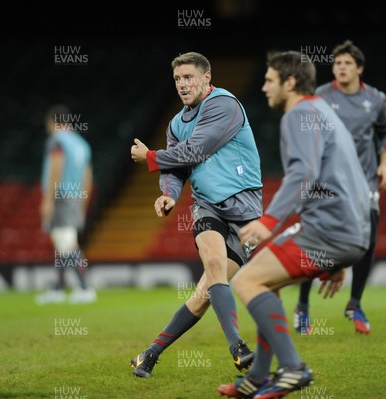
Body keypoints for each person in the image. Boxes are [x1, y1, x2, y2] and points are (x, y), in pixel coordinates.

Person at [217, 50, 370, 398]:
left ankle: (293, 367)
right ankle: (258, 377)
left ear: (290, 82)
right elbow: (348, 178)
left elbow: (304, 173)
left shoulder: (299, 114)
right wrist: (343, 254)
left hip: (331, 230)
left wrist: (270, 220)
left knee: (246, 281)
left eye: (270, 80)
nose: (264, 86)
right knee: (265, 283)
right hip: (348, 230)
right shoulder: (324, 113)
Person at [129, 51, 263, 378]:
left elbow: (196, 150)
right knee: (215, 264)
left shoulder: (223, 105)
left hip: (245, 209)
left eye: (189, 77)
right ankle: (238, 348)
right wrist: (168, 195)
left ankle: (149, 353)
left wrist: (149, 156)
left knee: (204, 295)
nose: (182, 84)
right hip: (207, 206)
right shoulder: (176, 123)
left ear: (206, 77)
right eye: (177, 79)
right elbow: (177, 167)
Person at [294, 40, 386, 335]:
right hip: (326, 182)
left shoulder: (376, 100)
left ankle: (355, 304)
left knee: (369, 240)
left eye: (347, 63)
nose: (340, 67)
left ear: (359, 68)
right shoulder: (320, 96)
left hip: (364, 181)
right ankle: (302, 308)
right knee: (312, 241)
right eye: (337, 63)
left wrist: (385, 163)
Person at [35, 104, 97, 305]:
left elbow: (56, 167)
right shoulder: (82, 144)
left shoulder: (57, 141)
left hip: (61, 195)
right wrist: (83, 201)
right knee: (62, 243)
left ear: (53, 122)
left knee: (65, 242)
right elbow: (88, 176)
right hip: (76, 196)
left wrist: (48, 199)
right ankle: (58, 288)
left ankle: (86, 287)